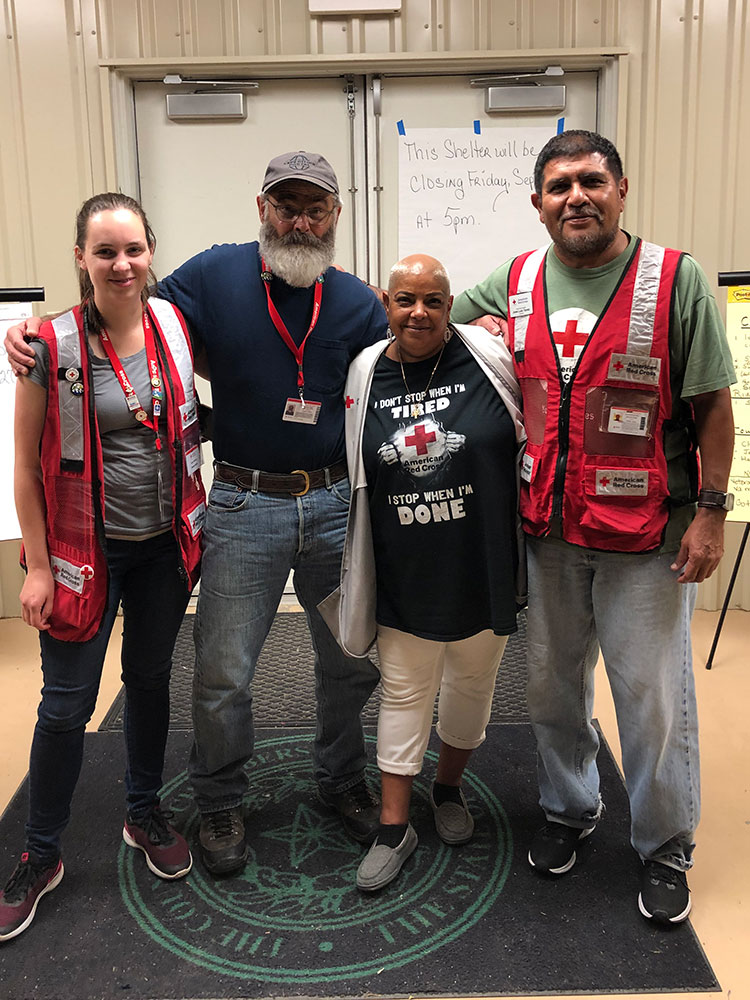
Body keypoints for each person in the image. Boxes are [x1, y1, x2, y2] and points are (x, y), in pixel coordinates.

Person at [5, 151, 388, 876]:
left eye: (315, 208)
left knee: (348, 664)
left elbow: (401, 363)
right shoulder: (210, 277)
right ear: (260, 208)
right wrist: (31, 330)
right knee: (221, 674)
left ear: (337, 216)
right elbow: (120, 302)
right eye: (286, 206)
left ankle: (342, 781)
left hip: (337, 506)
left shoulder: (358, 302)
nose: (299, 221)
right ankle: (218, 800)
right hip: (243, 508)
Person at [451, 130, 736, 924]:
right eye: (558, 185)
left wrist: (710, 516)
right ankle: (570, 809)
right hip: (547, 530)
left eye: (591, 181)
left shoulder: (675, 281)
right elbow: (432, 320)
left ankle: (665, 844)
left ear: (620, 190)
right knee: (550, 688)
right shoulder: (512, 282)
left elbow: (714, 408)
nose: (576, 196)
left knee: (650, 697)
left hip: (647, 537)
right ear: (537, 204)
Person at [0, 193, 206, 942]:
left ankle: (141, 811)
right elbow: (23, 468)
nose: (122, 265)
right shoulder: (48, 346)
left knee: (150, 681)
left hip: (164, 548)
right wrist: (38, 568)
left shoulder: (174, 325)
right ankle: (41, 853)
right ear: (80, 260)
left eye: (133, 249)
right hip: (82, 556)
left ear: (151, 251)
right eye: (105, 252)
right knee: (66, 704)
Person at [320, 254, 526, 891]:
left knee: (470, 688)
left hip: (482, 563)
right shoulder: (365, 370)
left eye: (433, 301)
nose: (419, 312)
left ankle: (449, 788)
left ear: (449, 304)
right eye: (405, 299)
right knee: (405, 694)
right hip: (403, 572)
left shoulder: (491, 359)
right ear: (387, 304)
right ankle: (393, 826)